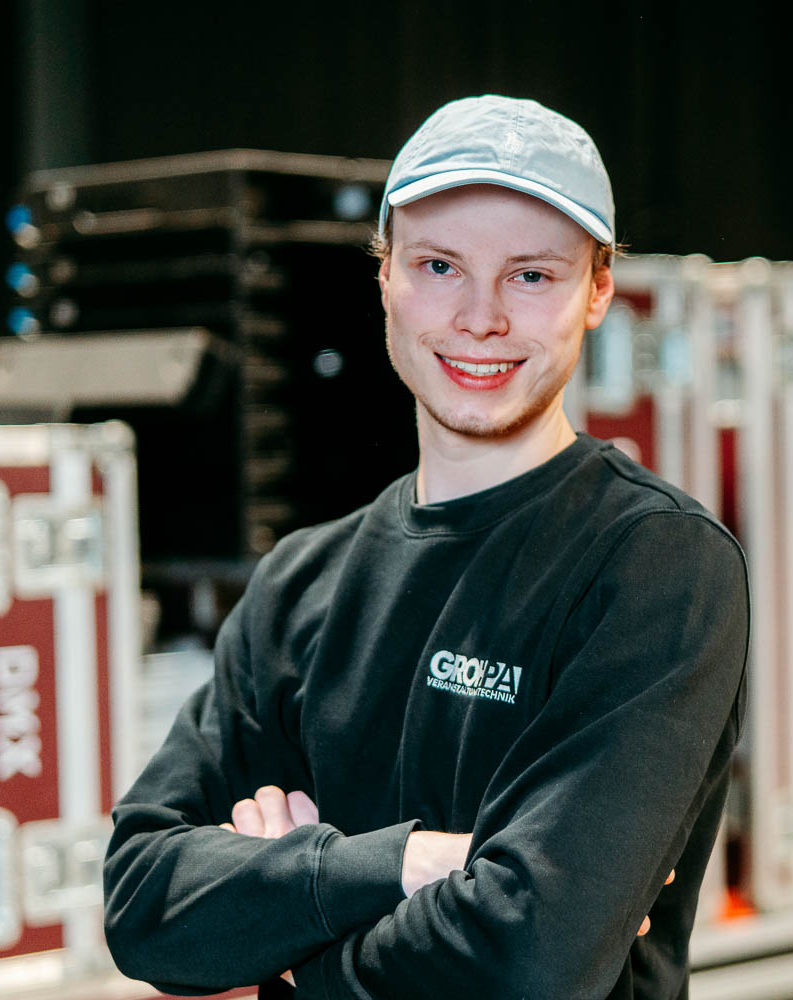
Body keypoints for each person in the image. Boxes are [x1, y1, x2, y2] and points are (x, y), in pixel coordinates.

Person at [103, 95, 749, 999]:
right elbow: (142, 900)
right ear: (385, 276)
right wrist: (406, 864)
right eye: (440, 266)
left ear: (598, 291)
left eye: (531, 276)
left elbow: (530, 958)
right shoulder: (300, 583)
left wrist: (281, 943)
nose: (480, 318)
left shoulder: (656, 567)